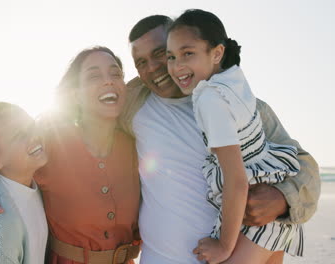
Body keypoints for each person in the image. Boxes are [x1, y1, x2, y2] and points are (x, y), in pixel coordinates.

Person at [120, 15, 320, 264]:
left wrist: (282, 199)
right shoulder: (132, 104)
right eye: (140, 62)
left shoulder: (237, 106)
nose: (151, 68)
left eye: (161, 53)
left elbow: (304, 167)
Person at [0, 46, 141, 264]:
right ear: (75, 94)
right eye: (94, 76)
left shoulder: (137, 144)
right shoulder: (49, 139)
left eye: (116, 74)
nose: (108, 81)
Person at [166, 9, 303, 263]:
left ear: (217, 53)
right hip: (273, 209)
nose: (177, 66)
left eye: (188, 53)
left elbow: (236, 180)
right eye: (171, 57)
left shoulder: (210, 98)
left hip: (254, 220)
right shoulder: (233, 79)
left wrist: (223, 246)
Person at [0, 102, 48, 263]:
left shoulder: (27, 185)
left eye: (32, 126)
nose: (33, 136)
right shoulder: (2, 225)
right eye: (18, 134)